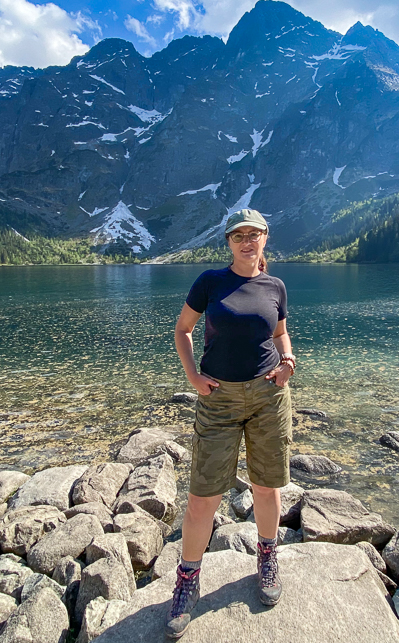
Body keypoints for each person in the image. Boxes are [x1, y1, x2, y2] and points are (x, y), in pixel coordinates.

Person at [167, 208, 296, 639]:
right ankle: (187, 580)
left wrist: (289, 359)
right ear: (228, 243)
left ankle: (267, 558)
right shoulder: (209, 282)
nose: (246, 241)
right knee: (204, 495)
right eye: (238, 235)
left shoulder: (275, 285)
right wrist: (193, 377)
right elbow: (183, 330)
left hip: (267, 395)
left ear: (265, 239)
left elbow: (278, 333)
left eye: (253, 234)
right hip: (217, 399)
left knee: (266, 485)